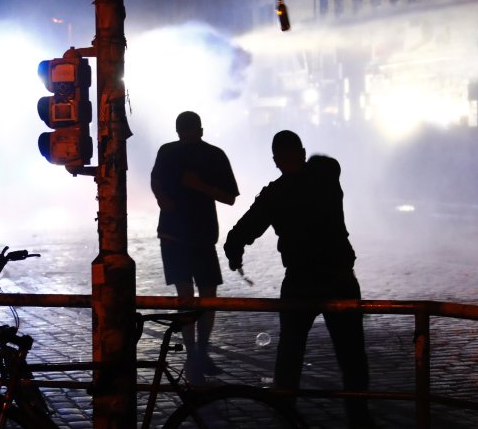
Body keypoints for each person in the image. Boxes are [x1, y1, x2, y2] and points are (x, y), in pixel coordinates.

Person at [223, 130, 374, 428]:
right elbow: (328, 163)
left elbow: (241, 232)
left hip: (300, 279)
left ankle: (285, 413)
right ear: (302, 153)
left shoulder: (275, 194)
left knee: (290, 354)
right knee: (352, 355)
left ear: (275, 160)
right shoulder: (326, 177)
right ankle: (359, 418)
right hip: (338, 277)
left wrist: (234, 253)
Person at [150, 111, 239, 383]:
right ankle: (196, 353)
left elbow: (229, 197)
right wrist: (162, 197)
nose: (187, 136)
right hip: (183, 236)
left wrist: (196, 187)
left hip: (192, 236)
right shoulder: (204, 154)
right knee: (194, 295)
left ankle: (198, 351)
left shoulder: (199, 154)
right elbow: (156, 181)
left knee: (198, 295)